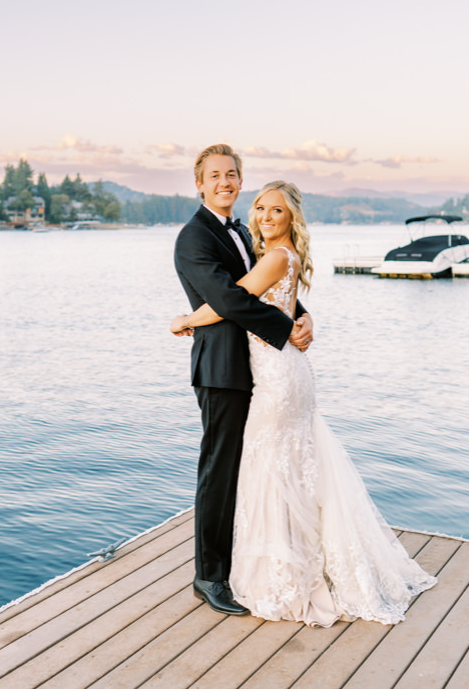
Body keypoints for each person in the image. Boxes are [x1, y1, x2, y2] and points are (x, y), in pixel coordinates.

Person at [172, 180, 436, 627]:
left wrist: (183, 320)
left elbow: (229, 301)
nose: (265, 217)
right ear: (201, 183)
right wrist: (298, 315)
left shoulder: (274, 255)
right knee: (289, 467)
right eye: (260, 209)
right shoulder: (249, 246)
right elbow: (269, 295)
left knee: (272, 469)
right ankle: (290, 561)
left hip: (276, 375)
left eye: (276, 210)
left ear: (292, 217)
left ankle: (282, 571)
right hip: (280, 370)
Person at [173, 145, 314, 616]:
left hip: (258, 367)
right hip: (223, 369)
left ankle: (246, 561)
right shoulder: (194, 238)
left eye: (232, 174)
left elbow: (267, 285)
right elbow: (232, 301)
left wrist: (302, 315)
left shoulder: (242, 231)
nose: (226, 182)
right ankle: (209, 577)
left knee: (254, 468)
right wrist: (284, 329)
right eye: (215, 175)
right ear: (200, 183)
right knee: (219, 471)